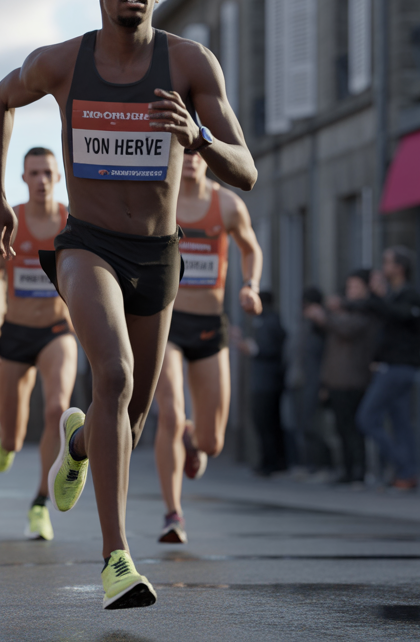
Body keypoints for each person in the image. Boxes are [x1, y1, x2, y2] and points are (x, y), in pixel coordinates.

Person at [0, 0, 256, 610]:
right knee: (117, 373)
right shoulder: (63, 63)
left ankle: (77, 445)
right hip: (86, 246)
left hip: (158, 255)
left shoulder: (191, 65)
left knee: (128, 419)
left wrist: (201, 139)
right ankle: (116, 560)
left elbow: (247, 170)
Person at [151, 149, 261, 543]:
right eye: (184, 152)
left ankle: (193, 439)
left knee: (213, 443)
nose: (193, 159)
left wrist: (250, 285)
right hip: (167, 322)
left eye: (199, 152)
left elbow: (251, 249)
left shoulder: (228, 204)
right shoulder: (160, 199)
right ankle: (172, 515)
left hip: (210, 326)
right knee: (170, 415)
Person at [0, 147, 76, 542]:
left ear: (58, 177)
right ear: (22, 178)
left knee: (57, 408)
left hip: (57, 330)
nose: (41, 180)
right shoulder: (11, 222)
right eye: (33, 173)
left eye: (48, 173)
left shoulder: (73, 221)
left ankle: (40, 504)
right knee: (14, 438)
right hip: (14, 333)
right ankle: (5, 438)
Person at [350, 246, 420, 492]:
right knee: (401, 422)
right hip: (391, 366)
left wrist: (375, 296)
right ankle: (407, 474)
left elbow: (399, 316)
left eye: (387, 263)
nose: (383, 268)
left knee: (367, 417)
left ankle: (403, 466)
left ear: (399, 268)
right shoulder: (393, 296)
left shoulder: (410, 297)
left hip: (399, 368)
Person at [306, 270, 376, 487]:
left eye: (356, 287)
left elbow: (347, 329)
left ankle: (359, 471)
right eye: (349, 287)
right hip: (335, 380)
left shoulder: (367, 310)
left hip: (355, 380)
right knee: (340, 429)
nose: (351, 292)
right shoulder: (339, 312)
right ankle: (346, 470)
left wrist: (326, 316)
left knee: (355, 429)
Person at [241, 291, 286, 477]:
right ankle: (272, 461)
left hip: (266, 382)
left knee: (264, 423)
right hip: (268, 381)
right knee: (268, 423)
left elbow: (266, 350)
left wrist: (250, 348)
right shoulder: (270, 320)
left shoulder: (268, 322)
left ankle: (270, 463)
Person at [297, 287, 333, 480]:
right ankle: (310, 464)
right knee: (304, 423)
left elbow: (328, 354)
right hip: (304, 379)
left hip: (318, 380)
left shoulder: (322, 325)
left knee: (315, 424)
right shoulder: (307, 325)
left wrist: (325, 384)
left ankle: (323, 465)